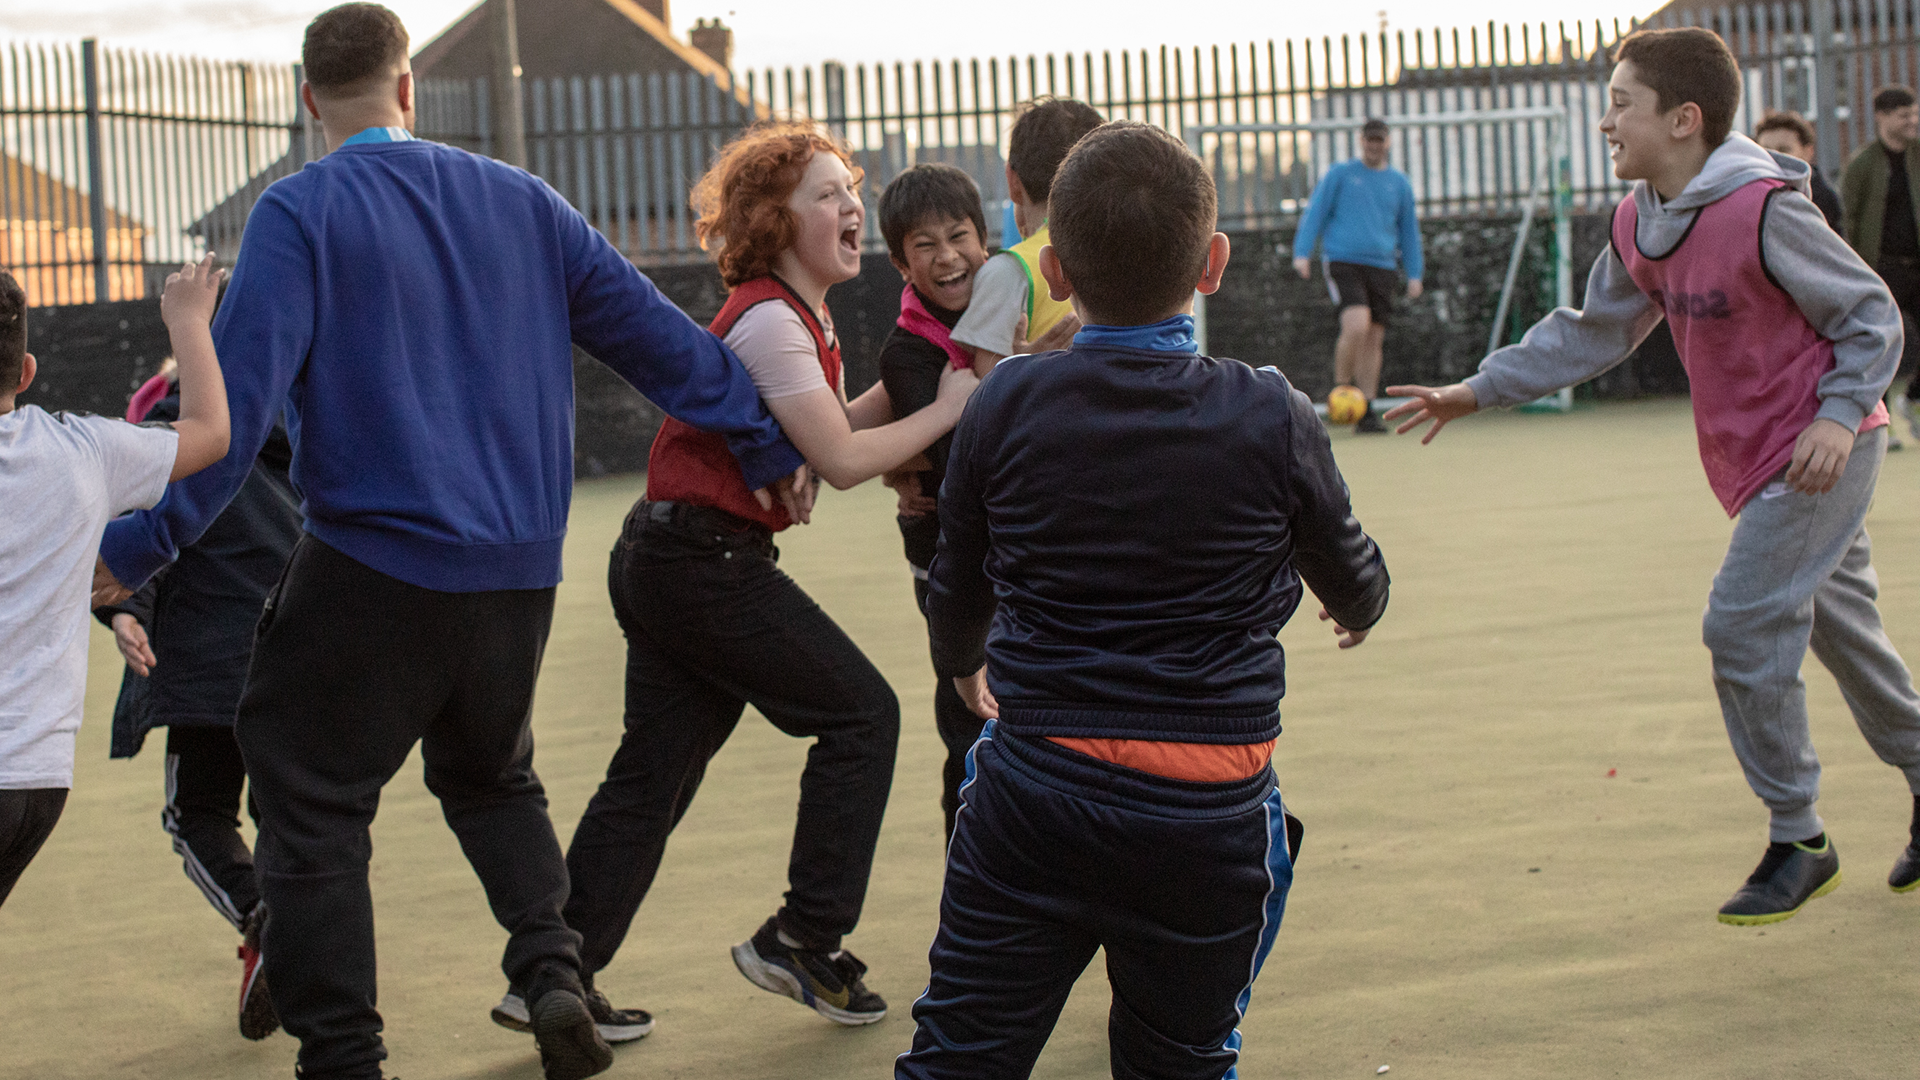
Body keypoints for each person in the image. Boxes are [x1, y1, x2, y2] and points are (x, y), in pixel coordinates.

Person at [93, 7, 809, 1080]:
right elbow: (659, 337)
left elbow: (226, 424)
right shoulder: (526, 200)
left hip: (371, 564)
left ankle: (344, 1055)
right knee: (491, 774)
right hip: (519, 575)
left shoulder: (298, 212)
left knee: (306, 790)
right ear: (408, 87)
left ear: (307, 101)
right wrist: (762, 437)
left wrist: (143, 548)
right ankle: (552, 972)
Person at [1388, 27, 1920, 925]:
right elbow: (1593, 331)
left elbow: (1872, 315)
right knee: (1847, 637)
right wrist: (1476, 390)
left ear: (1683, 120)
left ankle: (1799, 837)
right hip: (1757, 460)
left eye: (1620, 103)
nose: (1605, 122)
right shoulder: (1640, 220)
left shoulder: (1764, 210)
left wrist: (1837, 416)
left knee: (1741, 622)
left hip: (1819, 452)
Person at [898, 121, 1390, 1080]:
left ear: (1057, 270)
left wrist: (962, 666)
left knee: (959, 1057)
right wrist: (1354, 604)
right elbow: (1357, 578)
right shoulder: (1273, 412)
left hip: (1034, 785)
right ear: (1213, 264)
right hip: (1207, 806)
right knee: (1183, 1060)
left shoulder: (1006, 401)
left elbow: (957, 583)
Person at [545, 123, 980, 1036]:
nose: (852, 206)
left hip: (670, 557)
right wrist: (949, 409)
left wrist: (914, 405)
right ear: (775, 221)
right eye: (828, 195)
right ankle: (803, 937)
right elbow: (844, 462)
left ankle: (553, 974)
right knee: (863, 715)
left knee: (654, 772)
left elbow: (829, 430)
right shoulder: (776, 322)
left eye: (850, 189)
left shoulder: (793, 314)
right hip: (700, 562)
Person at [1, 257, 230, 909]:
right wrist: (189, 321)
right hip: (39, 782)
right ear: (26, 372)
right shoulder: (82, 450)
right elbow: (211, 434)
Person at [94, 360, 301, 1042]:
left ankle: (262, 921)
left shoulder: (165, 439)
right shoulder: (293, 439)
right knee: (294, 820)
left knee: (196, 814)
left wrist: (126, 612)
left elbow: (147, 532)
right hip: (297, 655)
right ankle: (301, 946)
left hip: (213, 668)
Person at [874, 163, 1078, 840]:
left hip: (1017, 558)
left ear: (984, 239)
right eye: (924, 245)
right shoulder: (907, 352)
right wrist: (1021, 370)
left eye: (958, 236)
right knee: (970, 719)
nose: (947, 256)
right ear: (901, 264)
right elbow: (960, 462)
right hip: (947, 563)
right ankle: (966, 861)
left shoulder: (1016, 307)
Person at [948, 96, 1101, 372]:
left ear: (1012, 180)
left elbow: (985, 384)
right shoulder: (1125, 252)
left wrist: (1022, 369)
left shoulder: (1008, 270)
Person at [1291, 116, 1424, 433]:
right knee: (1356, 324)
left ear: (1387, 143)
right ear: (1361, 141)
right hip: (1344, 261)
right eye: (1369, 140)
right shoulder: (1340, 174)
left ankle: (1367, 408)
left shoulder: (1399, 183)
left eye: (1379, 140)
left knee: (1374, 337)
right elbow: (1316, 212)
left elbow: (1409, 230)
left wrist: (1415, 273)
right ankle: (1341, 392)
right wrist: (1302, 252)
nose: (1374, 145)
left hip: (1383, 266)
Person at [1841, 86, 1920, 444]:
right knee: (1881, 345)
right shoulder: (1862, 165)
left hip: (1916, 264)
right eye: (1904, 115)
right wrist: (1855, 269)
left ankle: (1913, 398)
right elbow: (1849, 220)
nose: (1912, 121)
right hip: (1880, 269)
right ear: (1882, 117)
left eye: (1914, 113)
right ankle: (1880, 424)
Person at [1754, 110, 1842, 227]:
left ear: (1808, 152)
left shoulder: (1823, 200)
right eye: (1767, 151)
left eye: (1783, 150)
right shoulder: (1751, 194)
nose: (1774, 158)